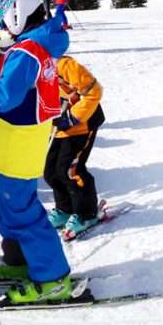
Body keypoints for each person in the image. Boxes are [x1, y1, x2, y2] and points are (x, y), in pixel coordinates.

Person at [0, 0, 73, 304]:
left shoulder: (28, 51)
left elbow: (3, 99)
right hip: (12, 137)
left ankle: (52, 278)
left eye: (0, 19)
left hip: (21, 140)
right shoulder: (31, 41)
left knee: (21, 209)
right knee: (0, 201)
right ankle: (18, 260)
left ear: (16, 12)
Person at [44, 55, 104, 237]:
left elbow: (94, 92)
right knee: (51, 172)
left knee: (71, 171)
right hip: (56, 127)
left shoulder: (64, 65)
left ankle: (87, 213)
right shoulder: (31, 67)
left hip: (81, 126)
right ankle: (65, 209)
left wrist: (73, 116)